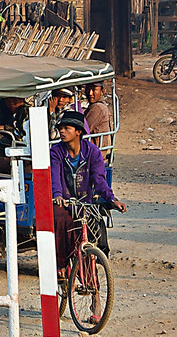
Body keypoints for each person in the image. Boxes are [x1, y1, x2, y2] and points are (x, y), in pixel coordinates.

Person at [48, 110, 124, 271]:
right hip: (64, 202)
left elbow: (99, 180)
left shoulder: (92, 152)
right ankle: (60, 267)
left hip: (84, 203)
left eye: (67, 128)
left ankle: (93, 284)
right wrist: (57, 195)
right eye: (61, 128)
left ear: (78, 132)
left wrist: (112, 199)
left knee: (94, 231)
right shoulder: (56, 152)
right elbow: (54, 177)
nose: (62, 131)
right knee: (60, 221)